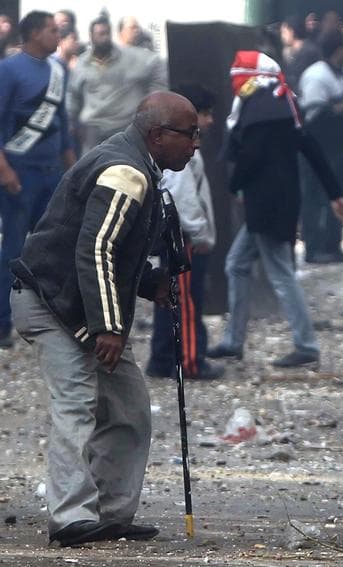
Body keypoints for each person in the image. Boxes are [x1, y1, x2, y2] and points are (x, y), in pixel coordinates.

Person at [10, 91, 198, 547]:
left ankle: (109, 513)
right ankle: (71, 518)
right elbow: (95, 250)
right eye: (189, 134)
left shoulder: (136, 163)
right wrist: (108, 327)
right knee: (77, 405)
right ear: (157, 135)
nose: (195, 145)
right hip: (53, 304)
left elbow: (113, 249)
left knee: (130, 409)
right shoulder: (124, 172)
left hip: (80, 306)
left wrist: (148, 283)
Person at [207, 50, 343, 366]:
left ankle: (307, 345)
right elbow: (311, 147)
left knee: (281, 274)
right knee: (236, 264)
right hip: (277, 203)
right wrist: (335, 193)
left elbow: (250, 156)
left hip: (266, 206)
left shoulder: (262, 108)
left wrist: (232, 187)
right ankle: (233, 341)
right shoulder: (281, 103)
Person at [0, 10, 76, 348]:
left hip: (52, 174)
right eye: (50, 30)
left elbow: (63, 125)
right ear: (32, 33)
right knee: (14, 248)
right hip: (20, 172)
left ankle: (51, 318)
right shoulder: (8, 70)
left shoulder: (58, 70)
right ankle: (3, 322)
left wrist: (72, 170)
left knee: (54, 248)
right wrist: (5, 171)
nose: (56, 34)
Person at [146, 85, 224, 380]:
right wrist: (199, 232)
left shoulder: (170, 146)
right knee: (186, 300)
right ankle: (191, 360)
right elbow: (183, 196)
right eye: (205, 114)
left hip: (173, 235)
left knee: (168, 297)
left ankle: (162, 357)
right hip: (183, 238)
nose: (209, 121)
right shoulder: (183, 150)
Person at [298, 27, 343, 264]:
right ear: (338, 49)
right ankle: (314, 249)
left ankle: (333, 246)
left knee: (340, 196)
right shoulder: (316, 75)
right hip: (321, 148)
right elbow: (314, 113)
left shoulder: (342, 72)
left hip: (341, 150)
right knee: (315, 196)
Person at [68, 16, 167, 154]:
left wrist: (153, 103)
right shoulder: (81, 64)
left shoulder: (129, 57)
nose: (105, 37)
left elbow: (156, 64)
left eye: (107, 33)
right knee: (92, 169)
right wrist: (70, 123)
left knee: (126, 169)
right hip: (93, 130)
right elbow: (73, 97)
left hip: (123, 127)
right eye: (100, 34)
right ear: (91, 36)